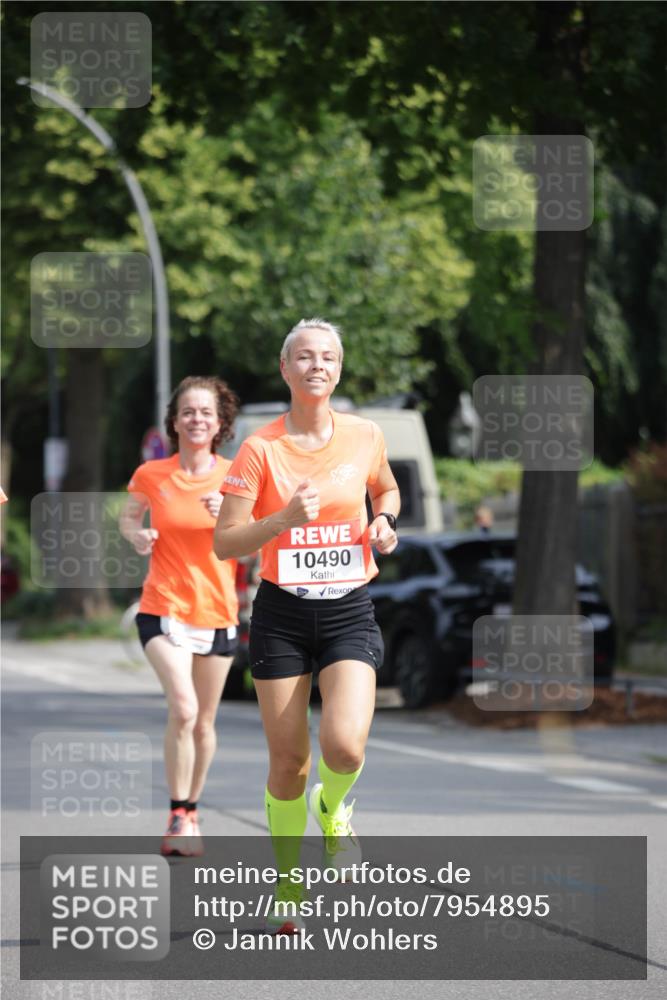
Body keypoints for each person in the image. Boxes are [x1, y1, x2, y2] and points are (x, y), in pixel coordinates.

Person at [214, 318, 400, 932]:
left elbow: (386, 490)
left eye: (327, 357)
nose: (316, 365)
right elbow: (225, 542)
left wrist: (384, 522)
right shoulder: (260, 449)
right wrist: (283, 519)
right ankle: (288, 882)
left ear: (338, 370)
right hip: (282, 615)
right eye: (304, 356)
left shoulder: (366, 434)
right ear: (285, 368)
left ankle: (334, 810)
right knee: (290, 761)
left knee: (345, 746)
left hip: (349, 608)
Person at [120, 376, 239, 857]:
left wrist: (229, 514)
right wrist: (136, 536)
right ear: (174, 421)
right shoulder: (153, 474)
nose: (196, 419)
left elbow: (260, 538)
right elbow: (129, 516)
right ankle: (176, 811)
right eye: (188, 411)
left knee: (204, 723)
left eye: (206, 412)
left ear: (220, 422)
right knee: (184, 709)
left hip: (217, 610)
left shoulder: (235, 476)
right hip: (162, 607)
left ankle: (190, 811)